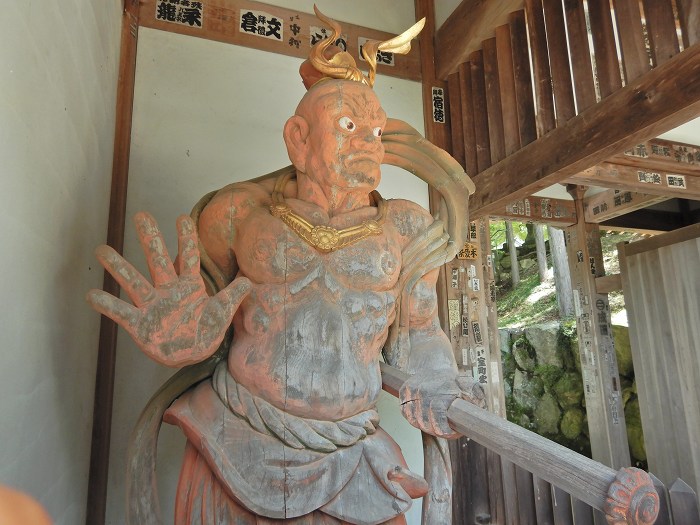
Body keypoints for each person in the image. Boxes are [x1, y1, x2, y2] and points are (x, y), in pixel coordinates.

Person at [88, 9, 481, 524]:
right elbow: (200, 313)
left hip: (354, 454)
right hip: (234, 441)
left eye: (377, 131)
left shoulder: (405, 229)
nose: (369, 143)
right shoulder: (237, 215)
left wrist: (435, 376)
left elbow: (425, 329)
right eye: (348, 126)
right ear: (298, 138)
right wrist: (184, 339)